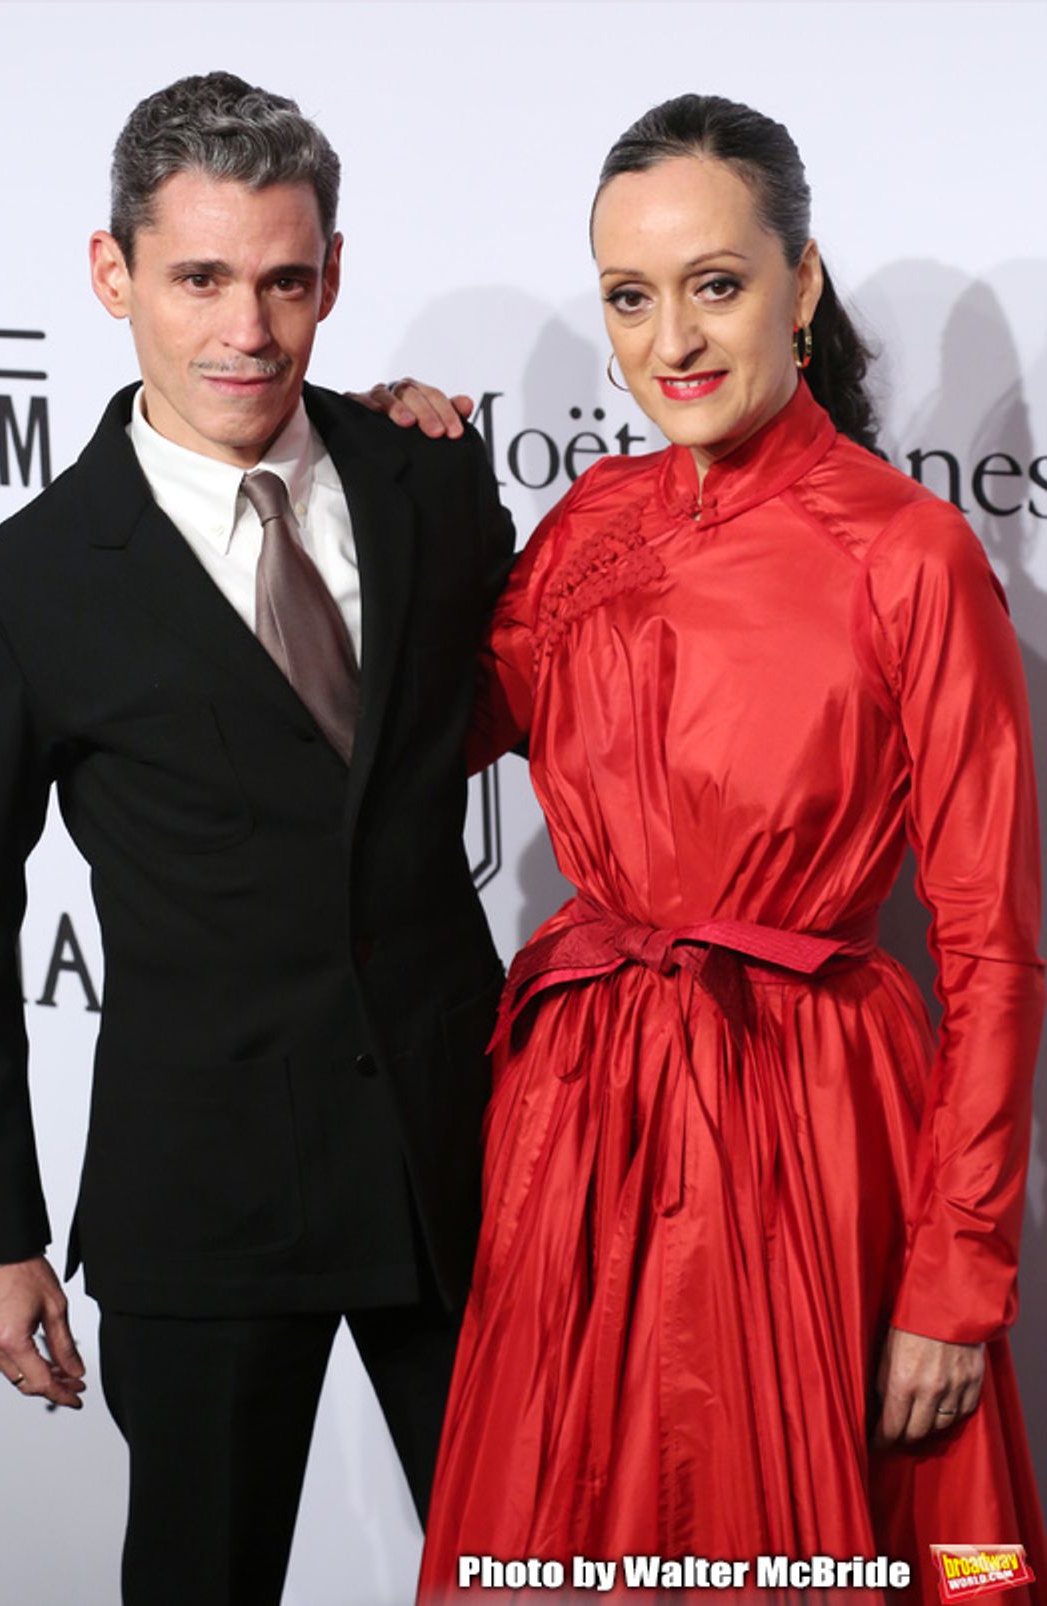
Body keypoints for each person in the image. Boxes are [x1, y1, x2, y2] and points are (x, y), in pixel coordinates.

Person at [393, 94, 1046, 1604]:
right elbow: (443, 725)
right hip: (584, 1135)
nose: (672, 341)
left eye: (716, 284)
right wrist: (395, 481)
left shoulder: (911, 554)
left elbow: (993, 949)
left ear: (800, 285)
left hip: (811, 1130)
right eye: (630, 297)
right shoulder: (590, 519)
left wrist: (955, 1276)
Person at [0, 72, 512, 1606]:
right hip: (205, 1197)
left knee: (534, 1572)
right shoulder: (19, 591)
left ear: (333, 275)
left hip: (464, 1165)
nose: (247, 328)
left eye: (285, 280)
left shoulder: (432, 475)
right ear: (112, 275)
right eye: (199, 278)